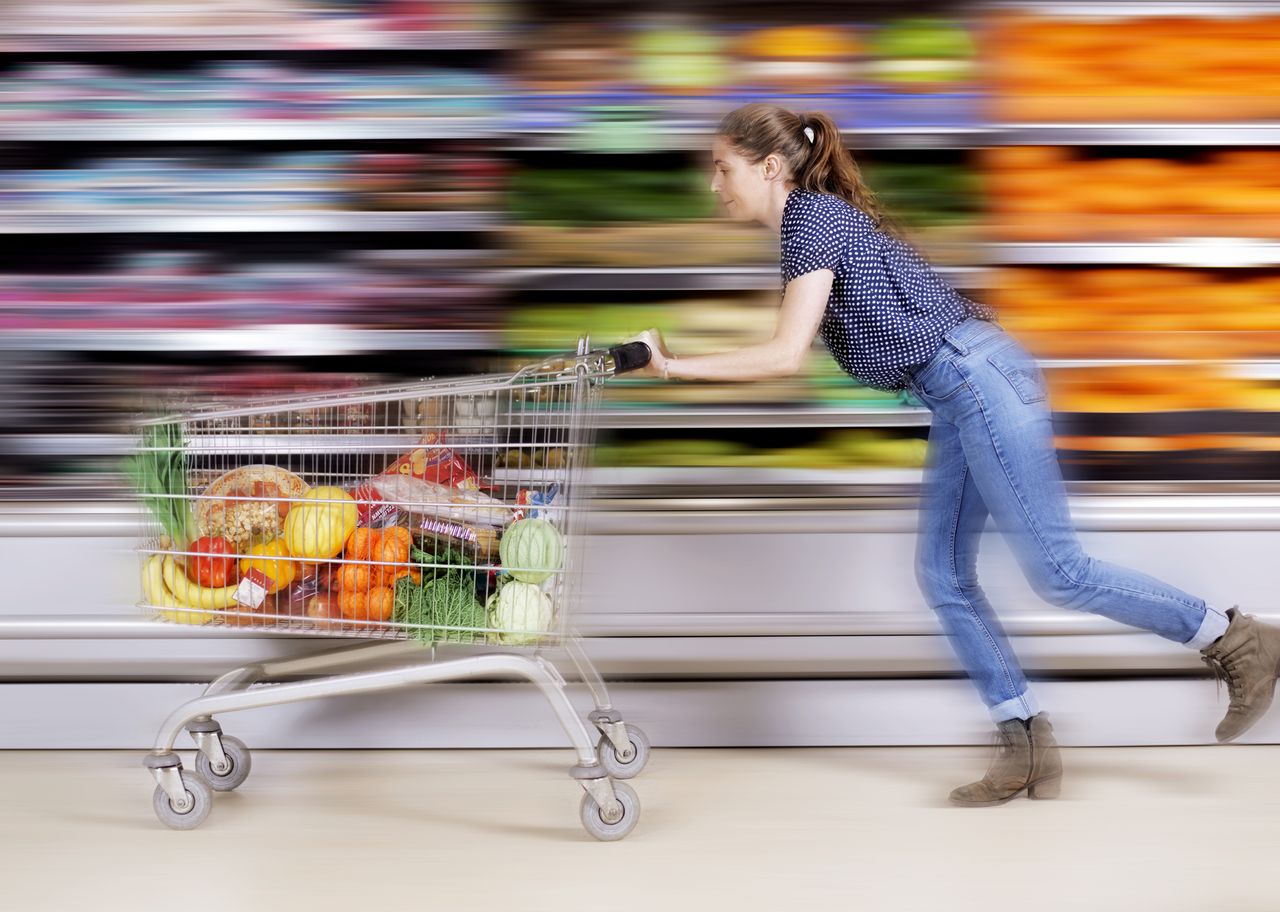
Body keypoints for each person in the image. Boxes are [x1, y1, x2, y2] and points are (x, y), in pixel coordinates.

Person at [636, 102, 1280, 806]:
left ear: (768, 167)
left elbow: (785, 355)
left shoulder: (811, 221)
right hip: (959, 391)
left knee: (1058, 572)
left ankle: (1235, 638)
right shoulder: (810, 222)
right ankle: (1025, 741)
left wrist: (671, 368)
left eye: (721, 168)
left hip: (980, 383)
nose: (713, 183)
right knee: (943, 574)